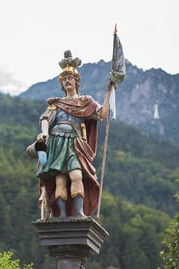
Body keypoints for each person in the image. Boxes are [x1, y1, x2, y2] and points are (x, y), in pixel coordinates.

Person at [35, 50, 113, 218]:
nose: (66, 82)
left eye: (69, 78)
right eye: (64, 80)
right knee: (60, 180)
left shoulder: (85, 102)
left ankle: (78, 212)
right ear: (61, 84)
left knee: (76, 175)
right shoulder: (57, 104)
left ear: (76, 81)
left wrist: (108, 91)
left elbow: (103, 114)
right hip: (57, 141)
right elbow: (45, 119)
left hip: (75, 144)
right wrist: (44, 134)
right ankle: (61, 215)